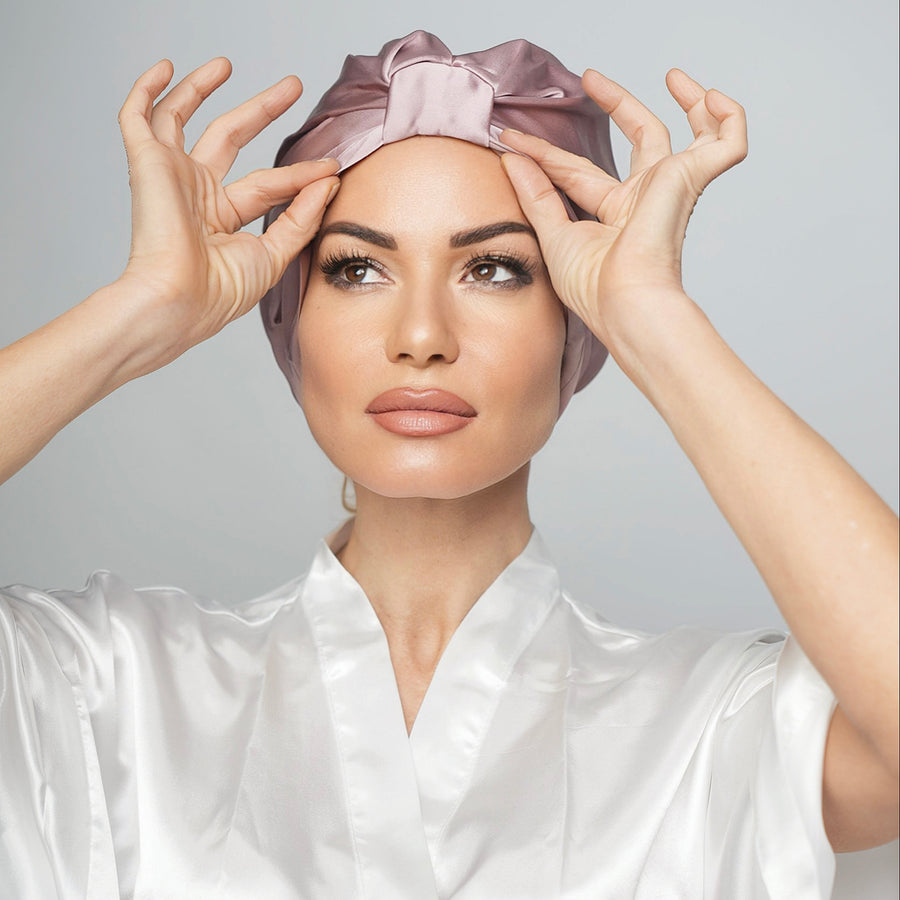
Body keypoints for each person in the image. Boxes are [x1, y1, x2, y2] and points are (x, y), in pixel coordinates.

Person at [0, 31, 896, 899]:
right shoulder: (97, 688)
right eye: (356, 270)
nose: (422, 337)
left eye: (496, 270)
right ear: (290, 319)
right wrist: (139, 309)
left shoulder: (716, 731)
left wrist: (654, 319)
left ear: (575, 329)